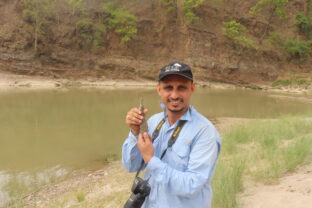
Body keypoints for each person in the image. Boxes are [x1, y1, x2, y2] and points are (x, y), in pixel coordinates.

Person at [122, 61, 221, 208]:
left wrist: (151, 158)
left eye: (181, 87)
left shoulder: (205, 132)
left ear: (192, 89)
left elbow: (192, 185)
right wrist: (135, 133)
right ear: (159, 90)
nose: (174, 95)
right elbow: (131, 166)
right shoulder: (154, 122)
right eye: (168, 87)